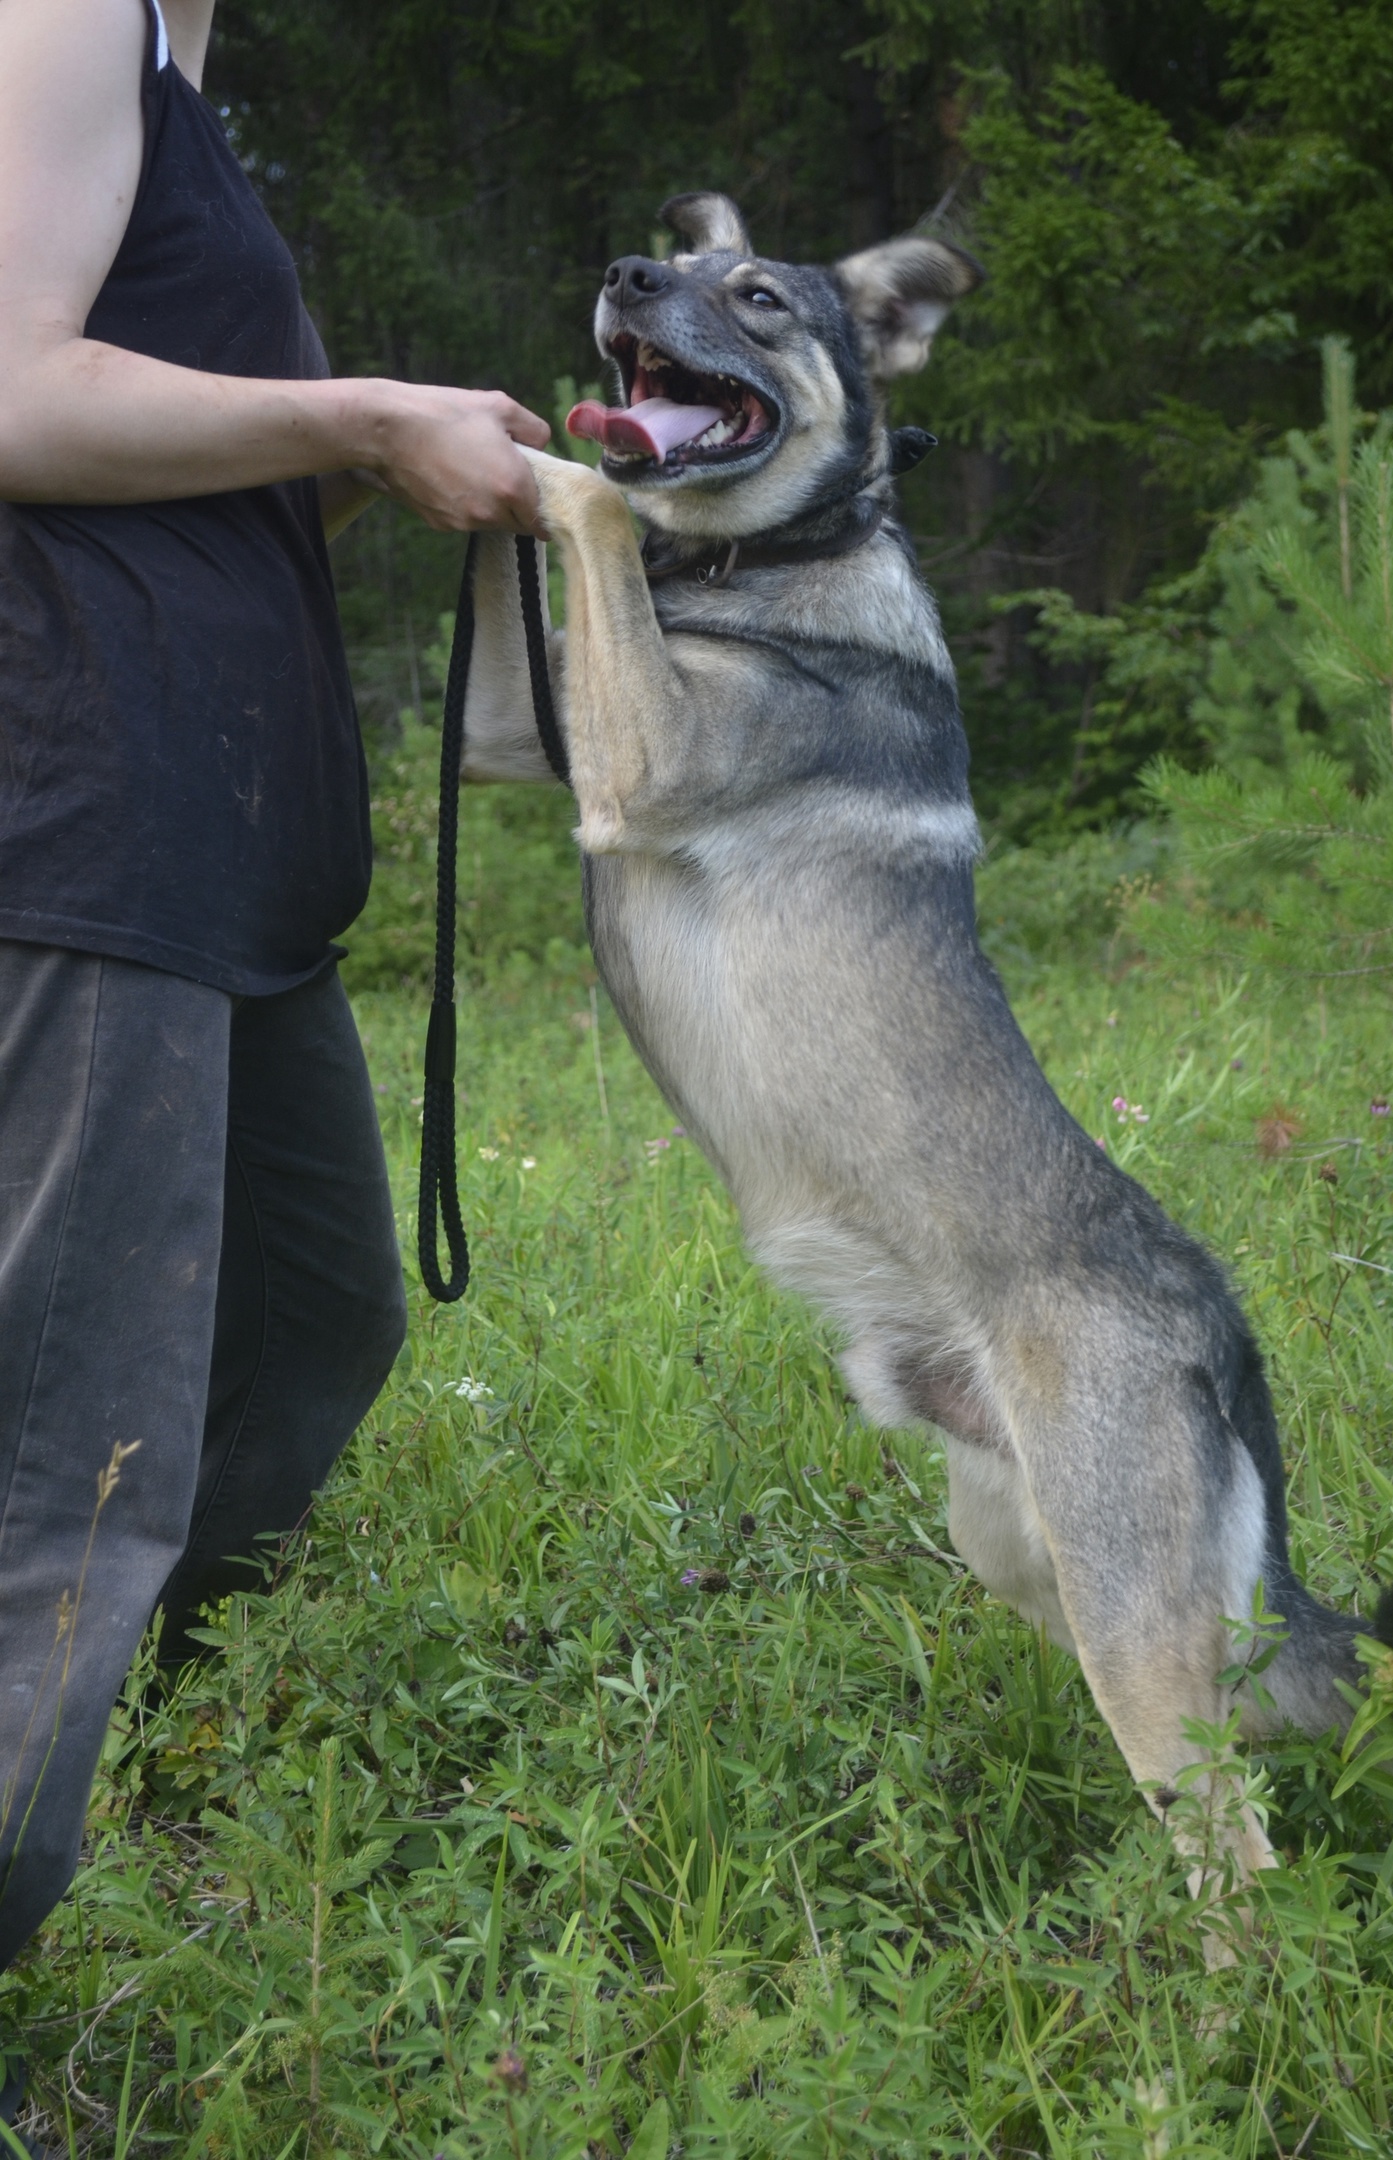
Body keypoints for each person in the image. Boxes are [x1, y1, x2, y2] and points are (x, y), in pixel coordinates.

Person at [0, 0, 549, 2099]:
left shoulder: (166, 61)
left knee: (304, 1332)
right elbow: (20, 397)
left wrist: (401, 461)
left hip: (229, 867)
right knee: (69, 1472)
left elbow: (157, 444)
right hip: (90, 833)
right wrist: (359, 414)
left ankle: (117, 1797)